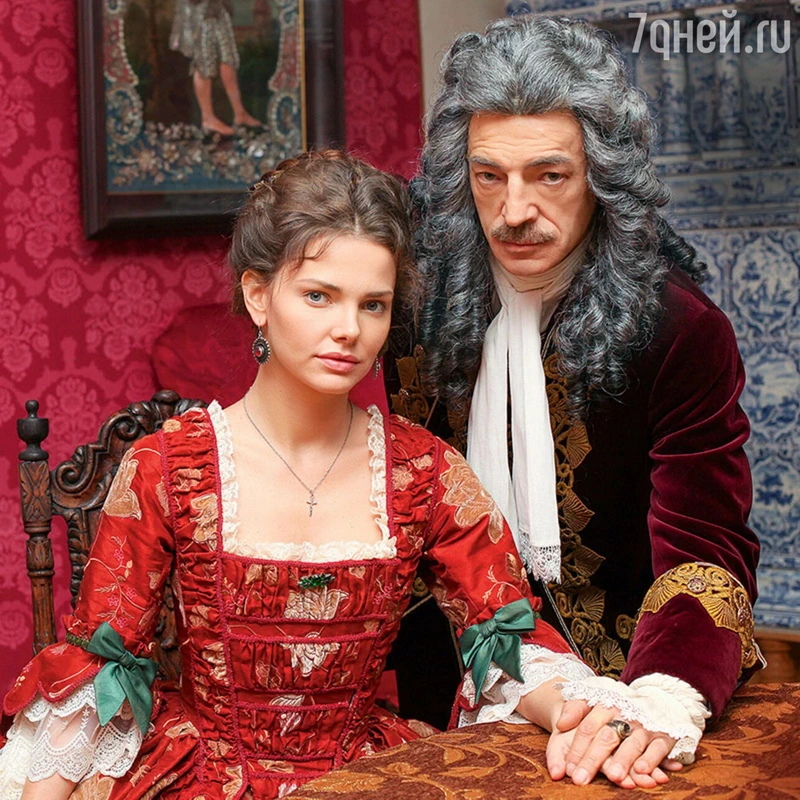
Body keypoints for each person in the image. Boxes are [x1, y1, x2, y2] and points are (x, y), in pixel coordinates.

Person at [0, 150, 661, 799]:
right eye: (318, 296)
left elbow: (506, 640)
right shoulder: (168, 469)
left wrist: (585, 716)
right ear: (258, 295)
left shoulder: (424, 474)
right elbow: (100, 672)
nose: (349, 330)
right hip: (204, 778)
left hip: (365, 778)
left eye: (373, 305)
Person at [391, 15, 763, 790]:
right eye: (488, 176)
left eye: (549, 175)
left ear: (602, 176)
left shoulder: (679, 329)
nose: (513, 210)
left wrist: (662, 698)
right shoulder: (412, 308)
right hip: (454, 684)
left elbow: (705, 551)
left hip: (629, 689)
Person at [170, 0, 261, 136]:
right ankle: (208, 118)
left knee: (228, 58)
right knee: (203, 61)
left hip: (218, 7)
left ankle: (239, 112)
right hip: (198, 10)